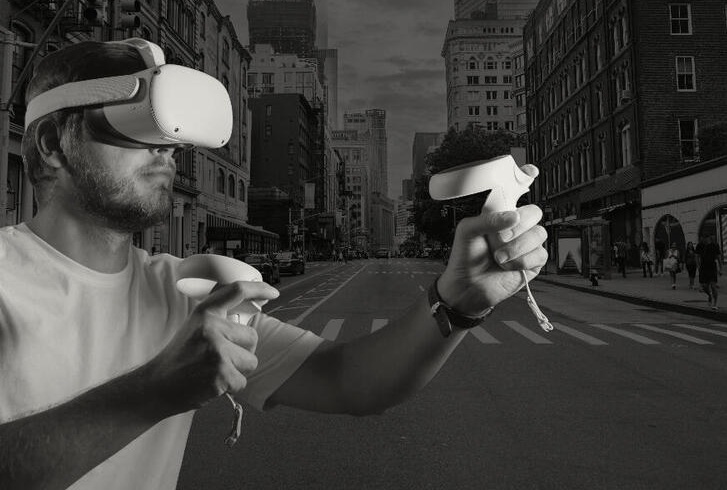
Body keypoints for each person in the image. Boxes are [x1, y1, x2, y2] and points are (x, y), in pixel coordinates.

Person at [0, 39, 549, 490]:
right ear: (52, 143)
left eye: (170, 133)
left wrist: (456, 303)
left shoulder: (185, 290)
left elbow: (347, 380)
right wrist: (154, 391)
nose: (167, 147)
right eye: (136, 123)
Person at [698, 234, 722, 309]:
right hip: (703, 268)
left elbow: (718, 257)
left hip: (712, 268)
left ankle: (715, 304)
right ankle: (709, 295)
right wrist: (698, 266)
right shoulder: (700, 246)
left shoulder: (714, 246)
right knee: (704, 286)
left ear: (708, 239)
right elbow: (697, 255)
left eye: (705, 239)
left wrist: (720, 269)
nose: (704, 240)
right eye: (703, 239)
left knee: (713, 286)